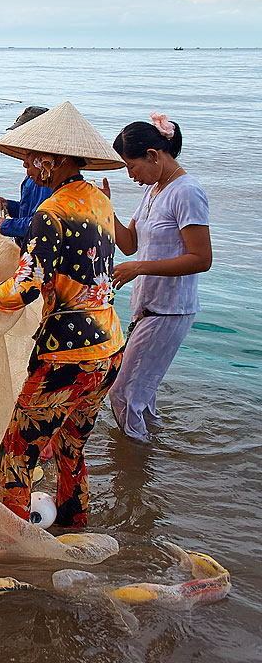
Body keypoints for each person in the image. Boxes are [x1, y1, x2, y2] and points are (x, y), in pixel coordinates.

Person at [0, 101, 126, 528]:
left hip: (67, 355)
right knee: (71, 446)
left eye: (28, 158)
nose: (25, 166)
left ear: (51, 160)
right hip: (110, 347)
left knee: (18, 450)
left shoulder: (50, 213)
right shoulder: (97, 201)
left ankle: (11, 544)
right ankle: (74, 523)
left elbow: (21, 291)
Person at [102, 114, 210, 443]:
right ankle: (153, 456)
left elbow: (201, 259)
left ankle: (133, 466)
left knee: (121, 394)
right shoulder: (153, 190)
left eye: (132, 167)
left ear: (153, 155)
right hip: (149, 305)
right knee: (141, 396)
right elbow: (131, 244)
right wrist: (107, 208)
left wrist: (138, 268)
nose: (131, 176)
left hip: (170, 309)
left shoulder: (186, 192)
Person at [0, 106, 53, 247]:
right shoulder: (33, 176)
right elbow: (30, 211)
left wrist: (8, 226)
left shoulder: (49, 180)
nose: (24, 163)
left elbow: (44, 224)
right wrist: (9, 205)